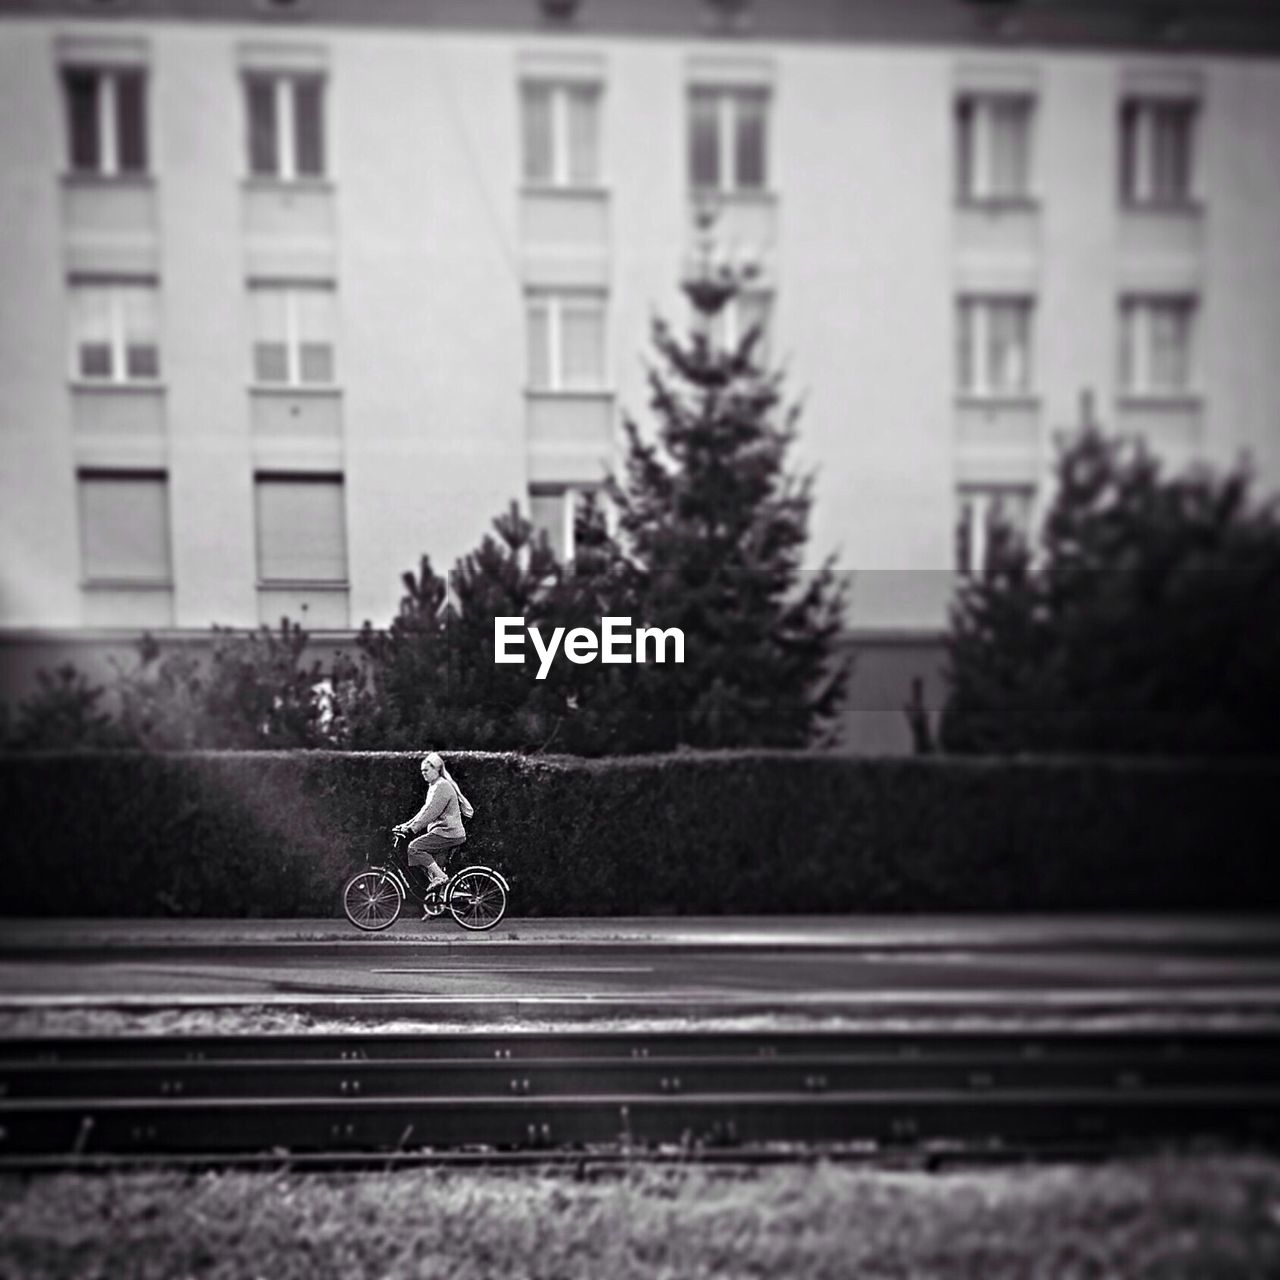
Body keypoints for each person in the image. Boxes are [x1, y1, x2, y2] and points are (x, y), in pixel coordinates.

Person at [393, 752, 474, 897]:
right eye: (422, 771)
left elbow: (431, 813)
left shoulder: (442, 786)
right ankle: (440, 903)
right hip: (444, 832)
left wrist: (411, 828)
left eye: (426, 770)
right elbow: (424, 811)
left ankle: (441, 878)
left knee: (414, 848)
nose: (423, 773)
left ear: (436, 769)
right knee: (432, 868)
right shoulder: (435, 785)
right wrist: (405, 825)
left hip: (448, 833)